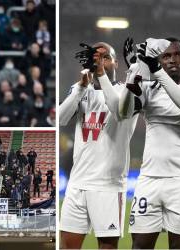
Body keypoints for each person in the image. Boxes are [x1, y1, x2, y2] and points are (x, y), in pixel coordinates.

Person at [119, 38, 180, 249]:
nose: (172, 59)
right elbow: (123, 113)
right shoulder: (149, 89)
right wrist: (134, 74)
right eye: (166, 56)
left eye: (177, 54)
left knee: (178, 246)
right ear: (160, 60)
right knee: (140, 246)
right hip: (148, 178)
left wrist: (156, 71)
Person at [59, 42, 138, 249]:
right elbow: (60, 118)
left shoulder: (129, 91)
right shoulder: (81, 90)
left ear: (116, 63)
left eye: (105, 57)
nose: (100, 61)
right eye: (96, 58)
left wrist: (101, 76)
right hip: (77, 183)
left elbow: (119, 111)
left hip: (108, 186)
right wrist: (80, 88)